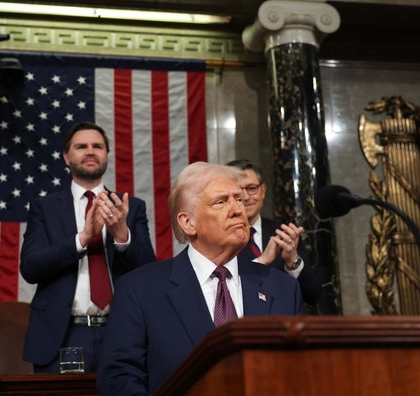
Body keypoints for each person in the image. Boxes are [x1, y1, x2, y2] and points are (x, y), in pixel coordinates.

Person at [97, 162, 303, 395]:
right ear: (188, 223)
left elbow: (301, 374)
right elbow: (119, 378)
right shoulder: (140, 290)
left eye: (239, 200)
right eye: (221, 202)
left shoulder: (283, 287)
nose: (238, 210)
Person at [19, 121, 157, 373]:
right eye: (81, 146)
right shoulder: (44, 207)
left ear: (106, 155)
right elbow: (30, 267)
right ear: (66, 157)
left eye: (98, 146)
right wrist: (82, 238)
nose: (91, 151)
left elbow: (149, 271)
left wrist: (121, 235)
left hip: (121, 330)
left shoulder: (130, 207)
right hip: (63, 334)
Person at [227, 159, 321, 305]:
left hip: (285, 324)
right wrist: (261, 261)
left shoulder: (283, 233)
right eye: (238, 191)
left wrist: (292, 262)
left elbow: (312, 295)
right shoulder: (218, 238)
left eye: (251, 188)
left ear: (263, 191)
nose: (246, 197)